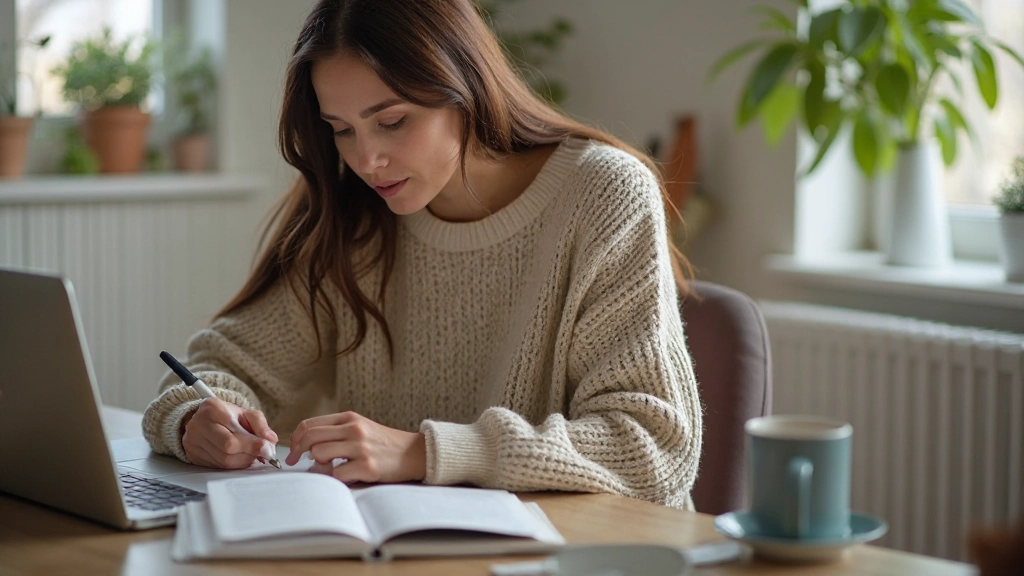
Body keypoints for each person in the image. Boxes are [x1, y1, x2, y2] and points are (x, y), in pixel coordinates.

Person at [143, 0, 703, 509]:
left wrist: (426, 453)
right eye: (341, 129)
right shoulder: (355, 212)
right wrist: (196, 418)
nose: (367, 159)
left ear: (466, 89)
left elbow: (652, 447)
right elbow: (221, 366)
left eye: (392, 122)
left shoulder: (602, 194)